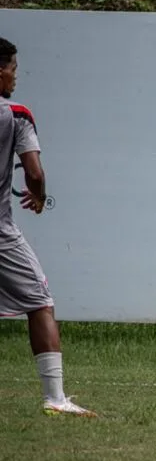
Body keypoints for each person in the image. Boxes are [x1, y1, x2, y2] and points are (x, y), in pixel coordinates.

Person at [0, 37, 97, 417]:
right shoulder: (15, 115)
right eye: (13, 70)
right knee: (40, 303)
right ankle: (55, 398)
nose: (15, 78)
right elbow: (35, 173)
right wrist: (37, 196)